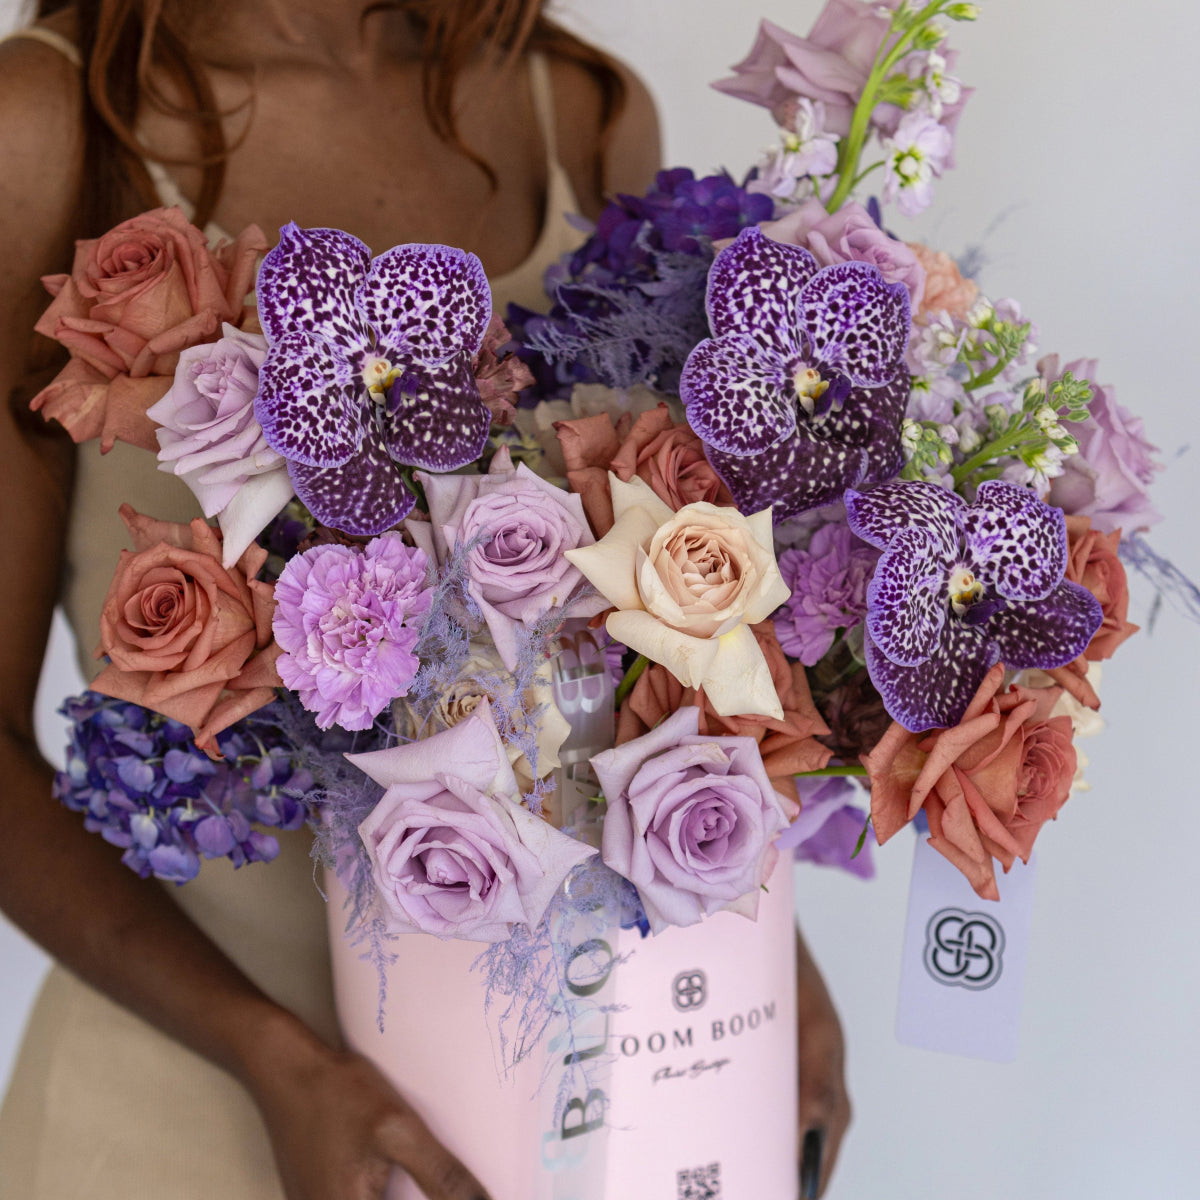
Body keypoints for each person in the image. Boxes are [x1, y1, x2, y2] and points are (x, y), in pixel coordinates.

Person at [0, 2, 851, 1197]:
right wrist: (276, 1062)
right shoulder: (48, 126)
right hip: (173, 1113)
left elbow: (678, 648)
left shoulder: (577, 109)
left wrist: (773, 966)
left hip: (560, 1114)